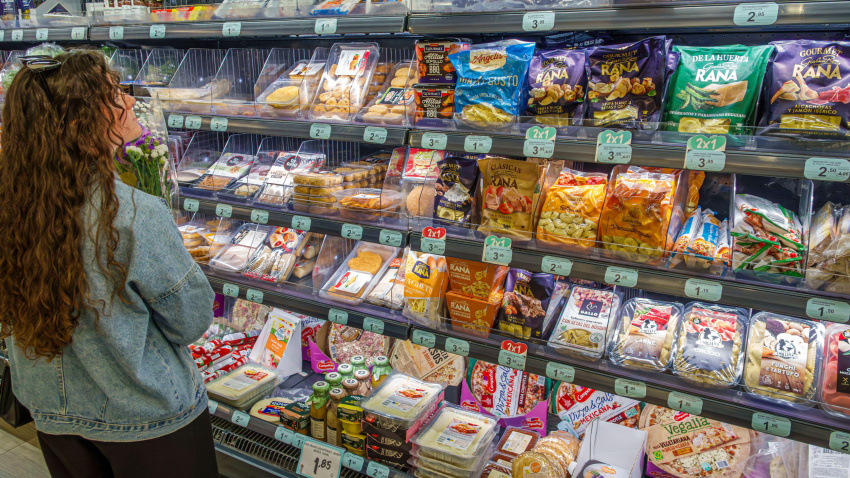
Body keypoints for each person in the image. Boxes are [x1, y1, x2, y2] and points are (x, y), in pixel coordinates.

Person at [0, 50, 219, 477]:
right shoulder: (133, 213)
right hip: (146, 417)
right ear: (83, 120)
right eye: (115, 93)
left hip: (53, 411)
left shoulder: (11, 206)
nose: (131, 101)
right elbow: (191, 319)